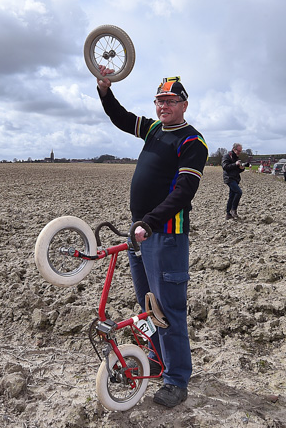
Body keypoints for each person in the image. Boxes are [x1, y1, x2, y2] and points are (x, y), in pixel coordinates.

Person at [96, 69, 208, 408]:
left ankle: (177, 380)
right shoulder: (155, 129)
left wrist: (150, 222)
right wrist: (104, 90)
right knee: (148, 307)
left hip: (166, 236)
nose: (163, 106)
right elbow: (121, 118)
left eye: (170, 101)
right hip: (139, 233)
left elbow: (183, 192)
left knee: (168, 309)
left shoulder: (193, 142)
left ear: (184, 104)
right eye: (159, 100)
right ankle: (158, 363)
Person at [222, 143, 245, 219]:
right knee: (239, 192)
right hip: (229, 178)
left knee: (232, 195)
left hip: (235, 178)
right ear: (234, 149)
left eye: (240, 151)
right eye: (238, 151)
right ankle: (233, 210)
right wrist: (235, 164)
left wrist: (241, 168)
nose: (239, 153)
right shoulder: (227, 156)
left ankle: (228, 214)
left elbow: (236, 170)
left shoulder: (236, 158)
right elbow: (225, 167)